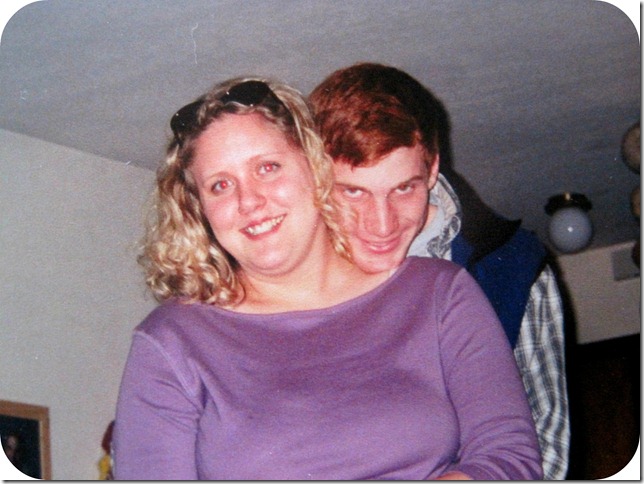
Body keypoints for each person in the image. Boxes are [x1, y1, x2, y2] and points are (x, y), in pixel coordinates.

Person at [112, 76, 542, 480]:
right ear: (198, 209)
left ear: (316, 167)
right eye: (220, 185)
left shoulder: (439, 292)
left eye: (267, 168)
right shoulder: (172, 341)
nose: (249, 201)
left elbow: (508, 459)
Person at [310, 62, 570, 480]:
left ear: (432, 169)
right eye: (354, 192)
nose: (382, 225)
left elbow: (544, 451)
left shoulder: (515, 269)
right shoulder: (287, 273)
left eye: (404, 188)